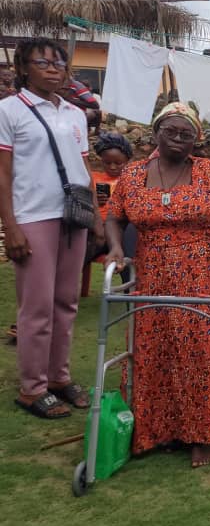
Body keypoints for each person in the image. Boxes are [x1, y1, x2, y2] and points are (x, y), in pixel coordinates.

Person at [105, 102, 210, 467]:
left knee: (200, 353)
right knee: (156, 350)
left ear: (196, 140)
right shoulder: (133, 174)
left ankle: (200, 434)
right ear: (156, 133)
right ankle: (158, 430)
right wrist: (114, 248)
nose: (178, 138)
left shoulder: (207, 171)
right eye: (170, 131)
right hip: (153, 272)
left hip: (204, 271)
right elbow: (114, 216)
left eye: (186, 134)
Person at [0, 38, 104, 419]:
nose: (53, 68)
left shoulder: (75, 114)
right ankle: (32, 388)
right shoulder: (8, 111)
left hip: (72, 215)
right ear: (23, 68)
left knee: (66, 302)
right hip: (33, 216)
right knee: (37, 307)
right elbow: (2, 173)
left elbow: (83, 169)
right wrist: (10, 226)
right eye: (42, 62)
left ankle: (59, 378)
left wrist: (96, 215)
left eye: (59, 63)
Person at [90, 131, 138, 267]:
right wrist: (94, 201)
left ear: (127, 161)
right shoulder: (93, 178)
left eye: (118, 163)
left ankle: (129, 283)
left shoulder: (132, 180)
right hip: (96, 230)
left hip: (120, 231)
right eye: (107, 163)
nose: (112, 167)